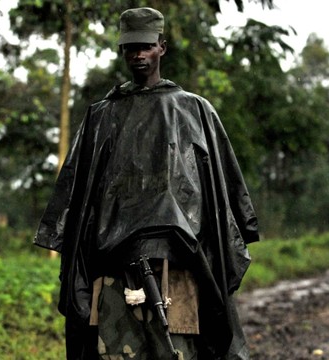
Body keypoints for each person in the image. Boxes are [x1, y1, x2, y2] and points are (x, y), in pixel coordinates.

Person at [34, 7, 259, 360]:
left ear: (162, 47)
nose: (138, 54)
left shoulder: (193, 111)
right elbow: (77, 195)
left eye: (146, 46)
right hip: (114, 265)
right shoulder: (102, 116)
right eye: (131, 47)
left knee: (180, 350)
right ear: (122, 51)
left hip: (180, 262)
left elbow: (222, 189)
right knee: (116, 352)